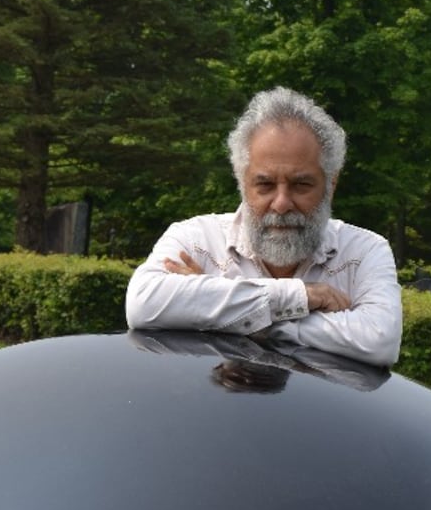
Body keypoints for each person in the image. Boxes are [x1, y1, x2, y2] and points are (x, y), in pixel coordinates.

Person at [124, 87, 402, 366]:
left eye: (301, 184)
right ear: (242, 183)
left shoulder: (365, 252)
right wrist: (300, 296)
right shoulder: (195, 241)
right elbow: (143, 304)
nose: (281, 204)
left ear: (331, 184)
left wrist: (230, 311)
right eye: (265, 184)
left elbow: (379, 341)